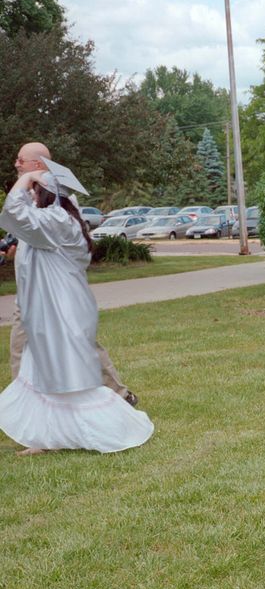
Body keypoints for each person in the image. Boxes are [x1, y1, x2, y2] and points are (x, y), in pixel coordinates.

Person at [0, 161, 154, 454]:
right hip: (50, 309)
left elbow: (15, 212)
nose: (30, 196)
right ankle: (44, 439)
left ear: (44, 195)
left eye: (34, 192)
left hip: (59, 311)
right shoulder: (60, 219)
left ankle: (109, 428)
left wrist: (29, 178)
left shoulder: (56, 221)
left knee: (68, 381)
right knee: (40, 375)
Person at [9, 142, 138, 406]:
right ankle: (28, 407)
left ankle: (115, 395)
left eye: (21, 160)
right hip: (31, 290)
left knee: (75, 345)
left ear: (37, 165)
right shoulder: (38, 198)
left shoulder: (57, 202)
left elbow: (34, 227)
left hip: (49, 292)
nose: (16, 164)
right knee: (27, 349)